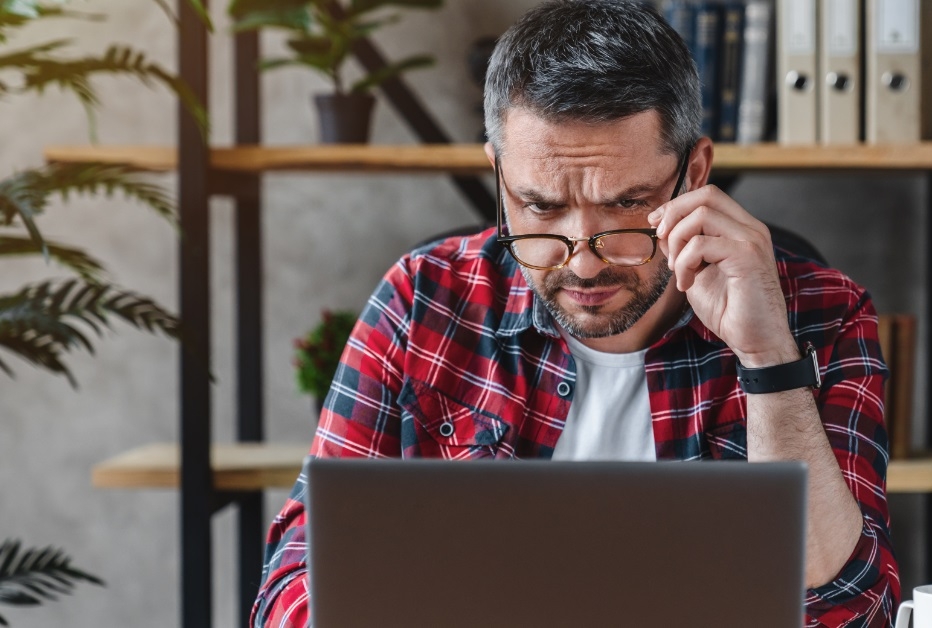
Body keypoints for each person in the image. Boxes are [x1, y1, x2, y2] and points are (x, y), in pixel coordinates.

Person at [251, 1, 899, 626]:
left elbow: (854, 613)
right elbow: (293, 580)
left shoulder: (822, 314)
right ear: (499, 175)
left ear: (695, 173)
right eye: (539, 207)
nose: (584, 261)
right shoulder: (423, 300)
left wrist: (767, 361)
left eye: (626, 205)